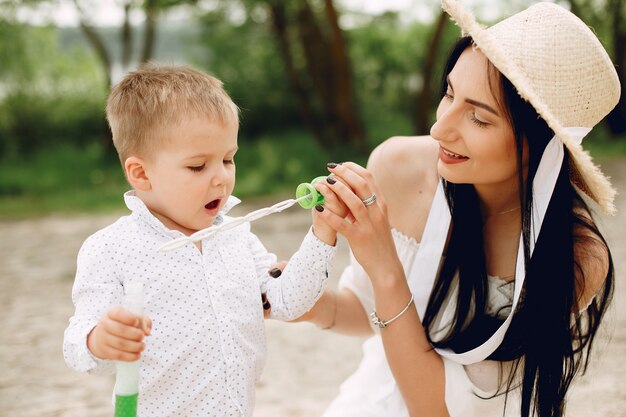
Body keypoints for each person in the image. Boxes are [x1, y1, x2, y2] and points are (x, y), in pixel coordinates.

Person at [292, 1, 619, 416]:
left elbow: (437, 408)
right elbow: (365, 310)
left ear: (537, 145)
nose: (439, 128)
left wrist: (384, 262)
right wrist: (304, 300)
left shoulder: (573, 257)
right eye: (449, 93)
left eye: (479, 119)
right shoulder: (400, 168)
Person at [62, 65, 343, 417]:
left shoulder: (235, 235)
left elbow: (288, 300)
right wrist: (100, 339)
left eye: (228, 159)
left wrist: (323, 230)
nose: (222, 178)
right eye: (198, 167)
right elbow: (76, 346)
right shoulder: (111, 249)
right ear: (141, 173)